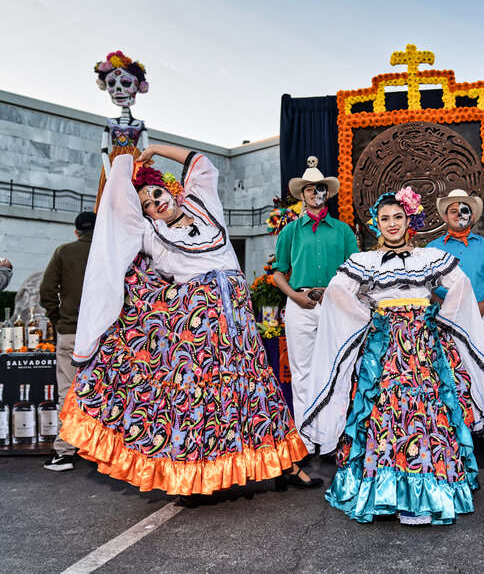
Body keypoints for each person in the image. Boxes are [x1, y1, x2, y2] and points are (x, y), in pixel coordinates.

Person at [60, 145, 319, 497]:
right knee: (197, 400)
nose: (155, 204)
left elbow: (203, 165)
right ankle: (188, 475)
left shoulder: (204, 203)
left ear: (169, 187)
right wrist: (123, 172)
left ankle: (285, 464)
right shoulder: (149, 233)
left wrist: (153, 150)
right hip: (197, 331)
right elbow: (119, 217)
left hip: (238, 321)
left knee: (254, 391)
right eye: (147, 205)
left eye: (156, 193)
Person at [301, 188, 484, 525]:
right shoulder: (363, 261)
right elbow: (338, 291)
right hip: (384, 348)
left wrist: (443, 318)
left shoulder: (428, 258)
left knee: (428, 411)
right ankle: (388, 491)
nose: (392, 224)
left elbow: (461, 286)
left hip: (425, 345)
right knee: (384, 412)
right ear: (376, 224)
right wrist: (367, 315)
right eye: (385, 219)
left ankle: (431, 488)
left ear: (409, 220)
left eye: (398, 217)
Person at [272, 157, 359, 442]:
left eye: (320, 188)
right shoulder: (289, 231)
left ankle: (333, 436)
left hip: (335, 304)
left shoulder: (344, 231)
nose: (315, 193)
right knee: (302, 371)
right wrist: (295, 296)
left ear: (327, 193)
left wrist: (335, 296)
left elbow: (355, 271)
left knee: (337, 368)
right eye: (310, 189)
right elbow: (278, 274)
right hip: (300, 304)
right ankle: (306, 439)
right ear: (302, 194)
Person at [39, 211, 96, 471]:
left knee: (68, 392)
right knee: (106, 393)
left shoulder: (64, 251)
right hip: (107, 333)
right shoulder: (110, 252)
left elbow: (47, 291)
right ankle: (105, 453)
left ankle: (64, 452)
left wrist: (57, 318)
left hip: (71, 332)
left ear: (76, 232)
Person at [427, 189, 484, 365]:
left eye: (464, 210)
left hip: (481, 317)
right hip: (444, 319)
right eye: (453, 211)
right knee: (452, 374)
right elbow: (424, 284)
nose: (459, 215)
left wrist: (483, 307)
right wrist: (443, 306)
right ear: (446, 217)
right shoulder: (431, 249)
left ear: (471, 216)